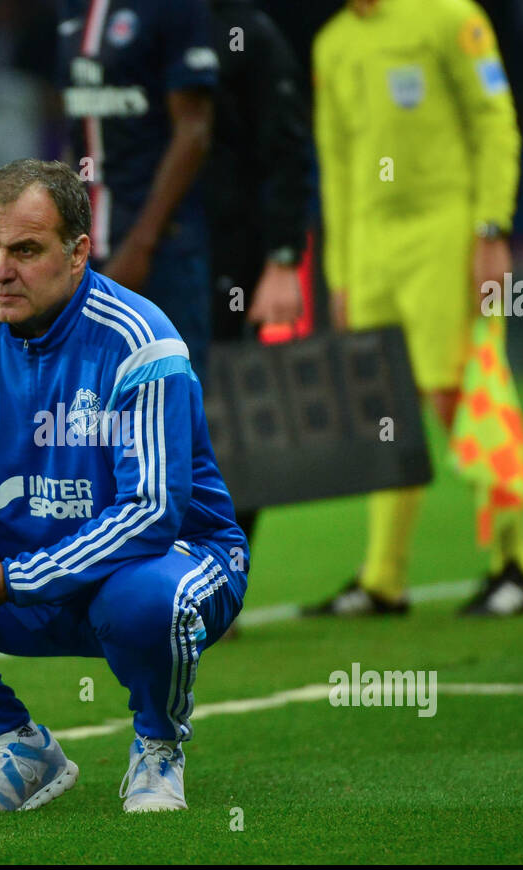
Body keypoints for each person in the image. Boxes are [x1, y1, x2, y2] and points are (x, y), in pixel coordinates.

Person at [0, 159, 248, 813]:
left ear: (78, 252)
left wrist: (18, 578)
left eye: (25, 250)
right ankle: (16, 744)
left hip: (172, 562)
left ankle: (158, 744)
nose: (0, 271)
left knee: (147, 598)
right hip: (17, 569)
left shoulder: (139, 342)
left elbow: (150, 513)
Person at [307, 0, 523, 617]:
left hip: (447, 231)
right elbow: (334, 163)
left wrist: (491, 229)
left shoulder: (449, 16)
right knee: (385, 403)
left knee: (458, 393)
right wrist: (339, 270)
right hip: (370, 245)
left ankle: (517, 563)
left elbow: (495, 120)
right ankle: (383, 577)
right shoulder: (331, 42)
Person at [55, 0, 219, 379]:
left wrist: (141, 245)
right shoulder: (71, 9)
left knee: (170, 406)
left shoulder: (175, 9)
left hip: (162, 249)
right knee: (83, 409)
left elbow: (194, 130)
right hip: (86, 251)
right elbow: (77, 130)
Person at [207, 0, 314, 549]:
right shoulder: (140, 22)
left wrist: (282, 258)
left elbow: (288, 149)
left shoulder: (248, 33)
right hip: (151, 251)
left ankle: (224, 569)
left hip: (233, 257)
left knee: (233, 416)